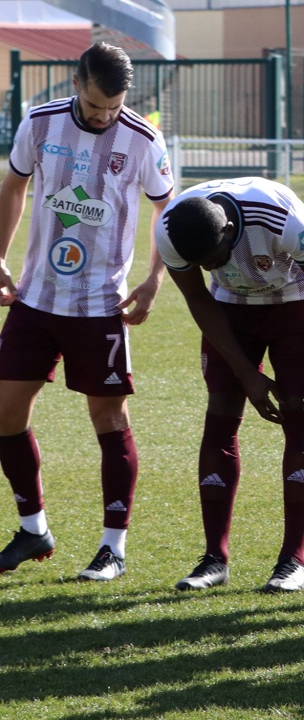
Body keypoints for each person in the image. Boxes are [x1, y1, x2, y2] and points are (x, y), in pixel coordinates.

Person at [0, 41, 171, 581]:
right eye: (96, 106)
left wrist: (153, 280)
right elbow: (14, 187)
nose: (104, 116)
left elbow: (167, 207)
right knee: (5, 413)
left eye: (114, 108)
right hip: (36, 297)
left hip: (101, 305)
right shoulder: (40, 122)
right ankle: (34, 529)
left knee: (109, 418)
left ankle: (112, 547)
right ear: (77, 84)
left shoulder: (142, 138)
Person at [156, 178, 304, 593]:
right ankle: (213, 559)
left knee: (299, 415)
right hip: (230, 309)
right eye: (201, 263)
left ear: (228, 231)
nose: (210, 268)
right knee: (220, 415)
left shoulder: (279, 219)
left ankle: (293, 561)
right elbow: (198, 298)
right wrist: (247, 374)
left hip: (296, 300)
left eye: (214, 258)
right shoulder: (171, 230)